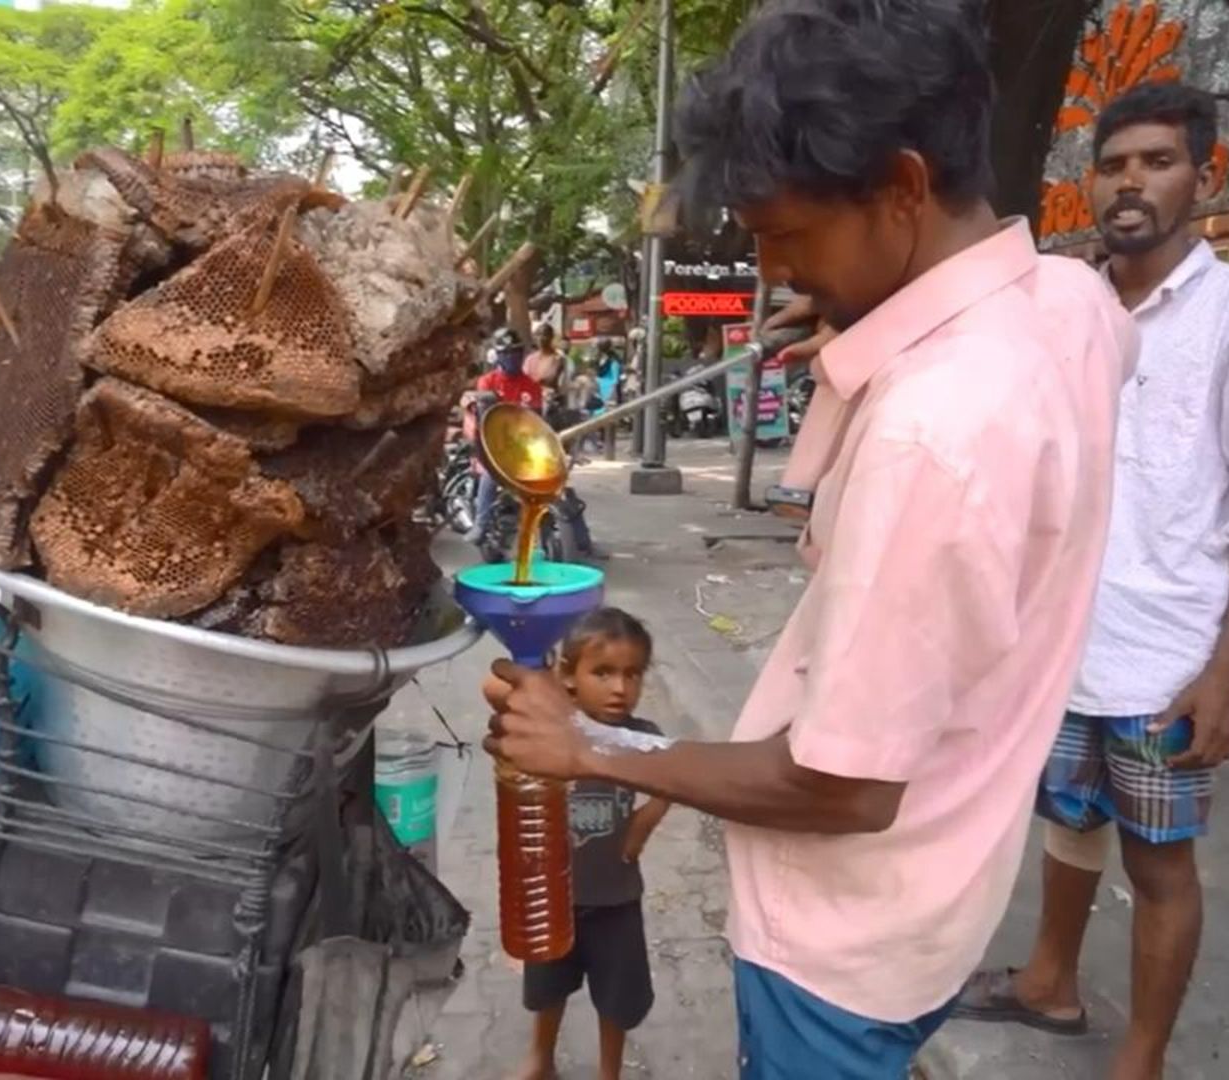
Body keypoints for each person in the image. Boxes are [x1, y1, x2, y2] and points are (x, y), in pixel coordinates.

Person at [481, 1, 1137, 1075]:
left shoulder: (933, 432)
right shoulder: (1070, 302)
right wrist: (863, 324)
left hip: (839, 949)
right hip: (946, 892)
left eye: (787, 237)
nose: (772, 272)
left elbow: (843, 787)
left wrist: (593, 748)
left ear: (904, 189)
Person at [952, 83, 1229, 1080]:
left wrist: (1226, 675)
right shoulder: (1062, 310)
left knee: (1159, 864)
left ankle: (1141, 1060)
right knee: (1069, 820)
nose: (1130, 182)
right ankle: (1048, 985)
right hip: (1062, 643)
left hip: (1169, 659)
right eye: (1114, 164)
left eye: (1156, 161)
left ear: (1206, 177)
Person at [518, 608, 670, 1080]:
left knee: (616, 999)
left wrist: (644, 822)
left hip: (616, 898)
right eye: (602, 673)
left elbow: (673, 777)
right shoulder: (554, 732)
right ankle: (540, 1061)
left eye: (632, 674)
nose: (619, 688)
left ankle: (610, 1073)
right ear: (568, 677)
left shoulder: (641, 738)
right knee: (547, 988)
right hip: (554, 896)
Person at [469, 327, 544, 542]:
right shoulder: (487, 382)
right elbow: (486, 417)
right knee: (490, 476)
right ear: (498, 356)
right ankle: (480, 525)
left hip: (523, 447)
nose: (512, 357)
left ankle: (581, 541)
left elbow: (538, 420)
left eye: (516, 352)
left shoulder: (532, 386)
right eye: (507, 353)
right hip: (493, 445)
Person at [524, 322, 567, 394]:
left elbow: (558, 382)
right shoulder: (530, 359)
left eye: (545, 335)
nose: (541, 338)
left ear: (551, 337)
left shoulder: (558, 359)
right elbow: (524, 379)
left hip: (550, 399)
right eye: (538, 335)